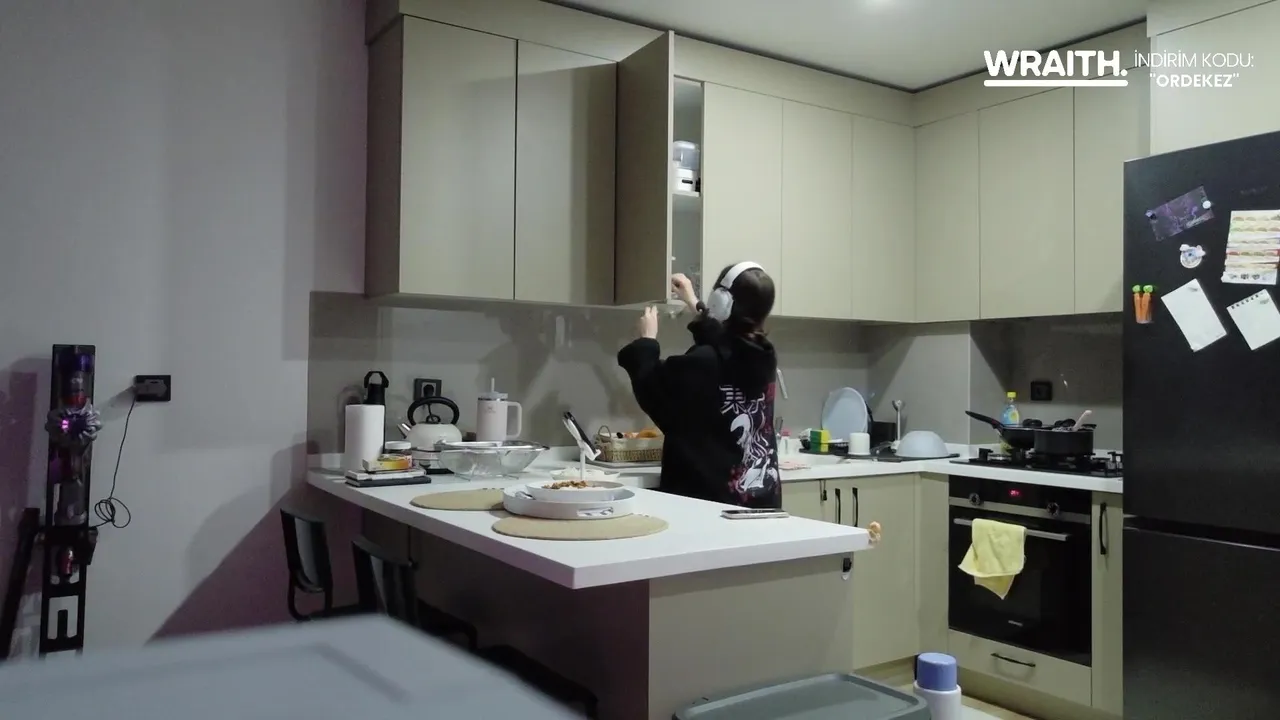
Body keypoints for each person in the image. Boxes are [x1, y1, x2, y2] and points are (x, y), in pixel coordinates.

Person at [616, 262, 781, 508]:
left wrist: (647, 340)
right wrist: (692, 301)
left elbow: (654, 392)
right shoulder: (764, 356)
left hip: (711, 506)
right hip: (760, 502)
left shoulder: (703, 361)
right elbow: (725, 344)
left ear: (721, 301)